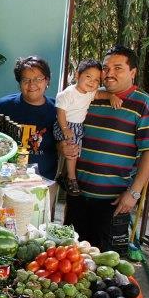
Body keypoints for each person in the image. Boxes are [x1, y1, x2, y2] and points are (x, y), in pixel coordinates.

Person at [63, 45, 149, 254]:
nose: (109, 73)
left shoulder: (145, 105)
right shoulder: (90, 97)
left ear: (133, 73)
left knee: (104, 263)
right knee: (70, 256)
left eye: (118, 68)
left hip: (113, 201)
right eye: (106, 68)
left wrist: (134, 193)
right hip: (77, 194)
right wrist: (62, 146)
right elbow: (67, 130)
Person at [53, 59, 123, 196]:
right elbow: (60, 112)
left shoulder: (90, 93)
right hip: (65, 125)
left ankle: (63, 175)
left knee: (75, 152)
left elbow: (99, 94)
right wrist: (65, 128)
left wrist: (111, 96)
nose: (92, 82)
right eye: (88, 77)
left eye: (97, 80)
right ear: (78, 75)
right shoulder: (68, 93)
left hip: (77, 127)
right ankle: (71, 179)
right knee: (72, 152)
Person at [0, 56, 58, 181]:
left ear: (47, 81)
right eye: (26, 80)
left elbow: (62, 144)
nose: (32, 84)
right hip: (5, 179)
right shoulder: (4, 106)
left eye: (38, 79)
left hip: (43, 181)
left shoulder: (57, 110)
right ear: (19, 83)